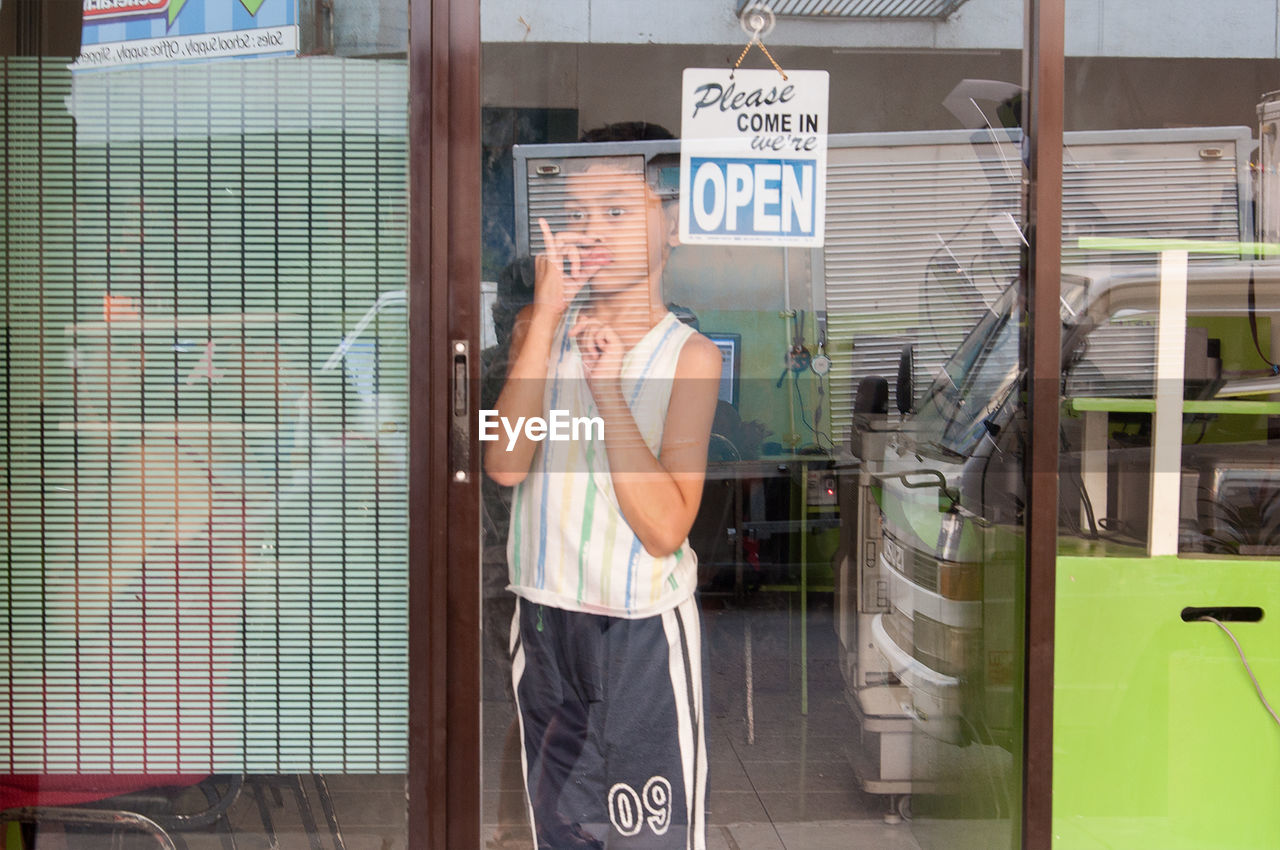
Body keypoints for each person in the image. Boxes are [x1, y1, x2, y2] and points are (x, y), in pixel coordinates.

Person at [484, 131, 721, 849]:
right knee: (559, 828)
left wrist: (608, 393)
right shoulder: (541, 334)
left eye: (617, 211)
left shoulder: (689, 357)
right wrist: (548, 316)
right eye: (581, 214)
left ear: (671, 224)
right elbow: (505, 465)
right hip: (545, 617)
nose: (594, 232)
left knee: (651, 836)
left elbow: (665, 529)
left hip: (639, 630)